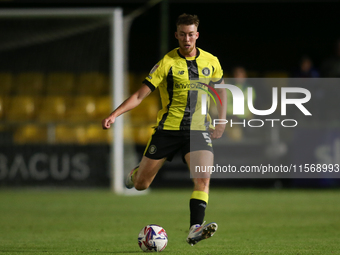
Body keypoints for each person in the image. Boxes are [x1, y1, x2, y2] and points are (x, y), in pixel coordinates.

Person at [102, 13, 227, 246]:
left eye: (191, 34)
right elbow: (140, 95)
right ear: (176, 35)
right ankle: (134, 174)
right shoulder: (166, 63)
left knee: (202, 179)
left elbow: (221, 91)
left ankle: (195, 228)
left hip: (198, 130)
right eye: (182, 34)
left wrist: (221, 121)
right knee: (141, 184)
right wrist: (114, 114)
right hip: (168, 130)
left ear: (197, 35)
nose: (187, 39)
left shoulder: (212, 61)